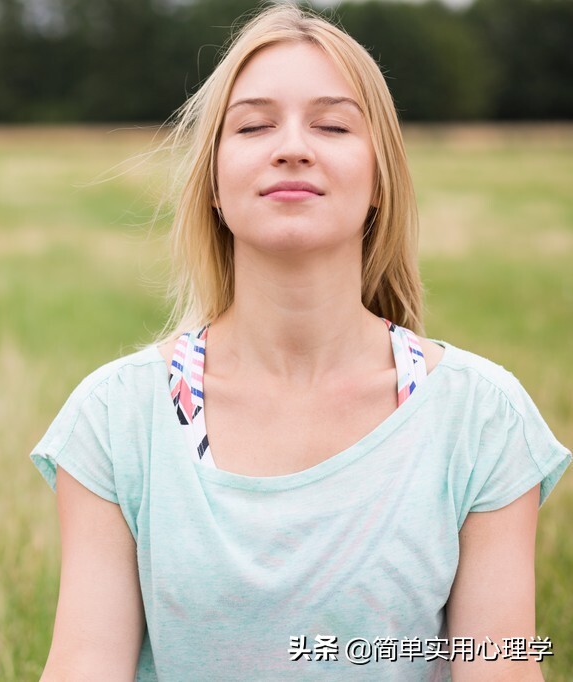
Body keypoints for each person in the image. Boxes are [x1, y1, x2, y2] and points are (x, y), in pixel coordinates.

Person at [29, 4, 571, 681]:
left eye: (332, 125)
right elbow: (86, 666)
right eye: (254, 125)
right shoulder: (113, 418)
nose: (291, 146)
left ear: (379, 180)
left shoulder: (482, 418)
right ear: (214, 187)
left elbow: (499, 668)